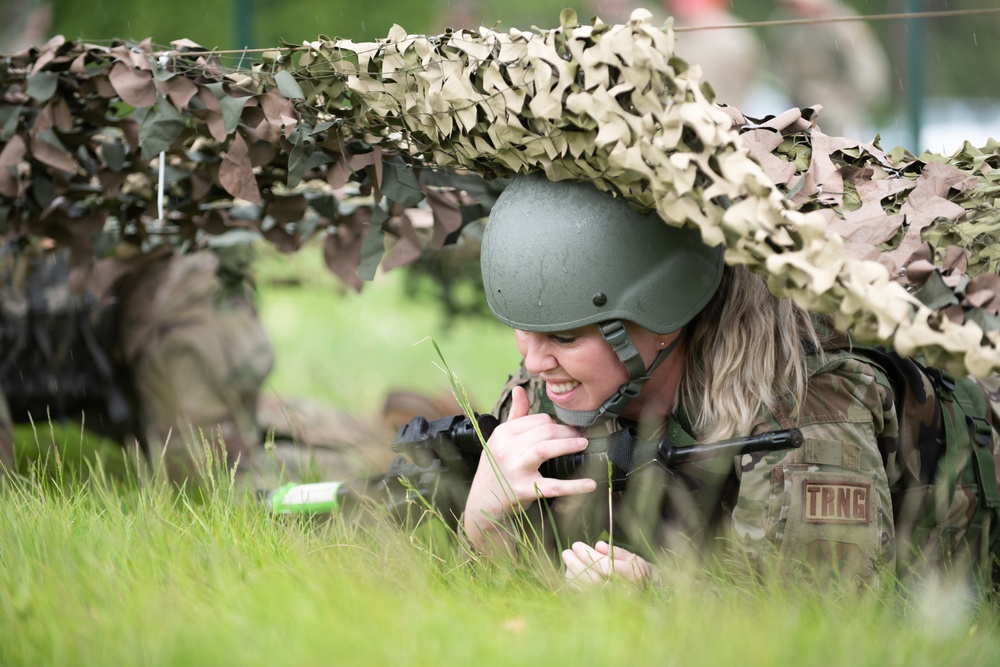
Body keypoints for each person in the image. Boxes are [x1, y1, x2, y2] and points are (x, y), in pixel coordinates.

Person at [461, 174, 1000, 589]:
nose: (533, 362)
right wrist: (484, 522)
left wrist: (656, 595)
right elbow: (503, 611)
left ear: (660, 316)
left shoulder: (802, 400)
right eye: (521, 332)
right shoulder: (559, 390)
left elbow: (815, 616)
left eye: (564, 338)